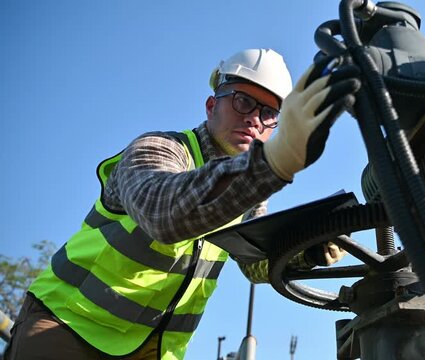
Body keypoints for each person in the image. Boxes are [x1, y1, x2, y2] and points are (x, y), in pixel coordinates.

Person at [4, 48, 361, 360]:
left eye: (269, 113)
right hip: (69, 327)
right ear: (211, 106)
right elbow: (164, 216)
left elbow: (255, 262)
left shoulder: (250, 190)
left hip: (154, 348)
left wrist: (309, 248)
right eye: (243, 101)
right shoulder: (157, 150)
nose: (254, 118)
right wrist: (275, 161)